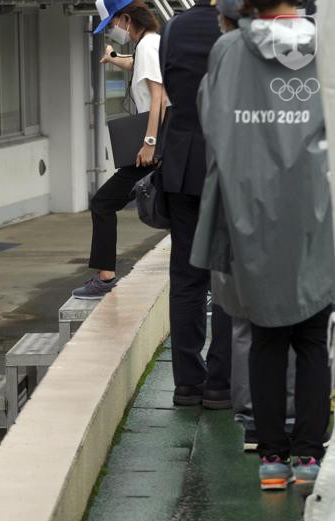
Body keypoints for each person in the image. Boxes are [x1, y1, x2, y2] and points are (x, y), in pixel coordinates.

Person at [192, 0, 334, 490]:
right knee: (314, 339)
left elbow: (214, 123)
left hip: (251, 210)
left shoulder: (230, 50)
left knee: (266, 335)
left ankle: (271, 457)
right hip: (318, 208)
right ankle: (309, 458)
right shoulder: (326, 40)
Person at [158, 0, 233, 409]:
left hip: (182, 164)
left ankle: (187, 383)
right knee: (225, 275)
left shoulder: (172, 28)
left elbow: (171, 89)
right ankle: (221, 383)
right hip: (225, 162)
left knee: (186, 277)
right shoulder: (240, 29)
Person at [72, 0, 167, 300]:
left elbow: (158, 98)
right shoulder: (149, 45)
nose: (113, 32)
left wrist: (149, 143)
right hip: (163, 143)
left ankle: (105, 277)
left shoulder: (149, 47)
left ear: (127, 18)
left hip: (154, 144)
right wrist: (115, 60)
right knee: (178, 211)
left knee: (102, 202)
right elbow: (137, 64)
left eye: (113, 24)